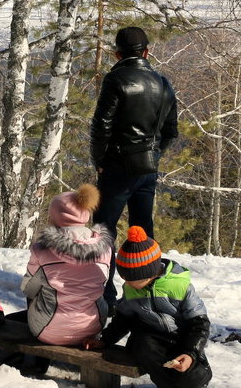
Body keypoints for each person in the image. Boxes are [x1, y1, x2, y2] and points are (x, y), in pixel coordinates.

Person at [89, 26, 178, 303]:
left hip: (116, 167)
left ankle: (104, 294)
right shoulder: (163, 83)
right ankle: (147, 295)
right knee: (144, 234)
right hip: (147, 169)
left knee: (104, 231)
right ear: (146, 52)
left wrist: (100, 161)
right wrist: (153, 154)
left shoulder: (116, 79)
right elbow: (171, 131)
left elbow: (100, 126)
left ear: (117, 54)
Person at [94, 227, 212, 388]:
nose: (125, 282)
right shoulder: (131, 289)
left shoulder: (179, 286)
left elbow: (200, 324)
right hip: (150, 340)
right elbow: (123, 320)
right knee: (143, 345)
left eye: (129, 278)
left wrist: (190, 353)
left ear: (147, 273)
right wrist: (105, 340)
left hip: (181, 339)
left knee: (190, 376)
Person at [20, 184, 114, 346]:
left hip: (48, 329)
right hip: (93, 327)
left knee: (37, 291)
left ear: (56, 217)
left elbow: (28, 289)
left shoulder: (42, 249)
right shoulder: (105, 247)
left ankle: (32, 361)